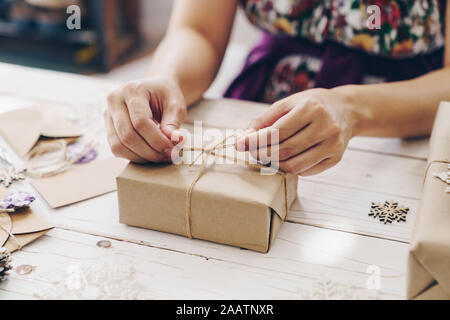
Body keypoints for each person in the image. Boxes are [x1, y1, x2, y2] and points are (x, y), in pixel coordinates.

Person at [104, 0, 450, 176]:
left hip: (404, 127)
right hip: (261, 109)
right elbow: (199, 31)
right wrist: (168, 78)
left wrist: (350, 109)